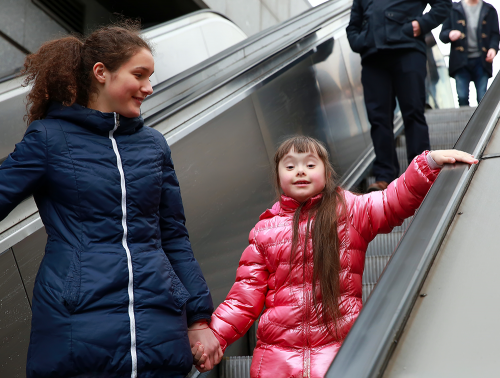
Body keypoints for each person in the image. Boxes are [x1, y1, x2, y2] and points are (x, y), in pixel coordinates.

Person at [0, 22, 222, 377]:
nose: (149, 87)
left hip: (159, 328)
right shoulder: (48, 138)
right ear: (101, 73)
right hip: (76, 325)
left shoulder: (153, 145)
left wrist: (198, 319)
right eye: (139, 74)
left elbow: (174, 236)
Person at [192, 135, 477, 377]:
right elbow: (244, 298)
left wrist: (428, 163)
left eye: (310, 165)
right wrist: (213, 338)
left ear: (326, 174)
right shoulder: (263, 232)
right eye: (290, 166)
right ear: (279, 177)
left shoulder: (349, 211)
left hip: (340, 351)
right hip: (276, 359)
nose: (300, 171)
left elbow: (392, 201)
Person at [346, 0, 452, 192]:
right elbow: (353, 24)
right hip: (373, 56)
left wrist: (421, 24)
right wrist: (362, 40)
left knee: (413, 111)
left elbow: (443, 4)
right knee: (378, 119)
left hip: (408, 49)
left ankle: (419, 171)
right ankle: (384, 175)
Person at [439, 0, 500, 106]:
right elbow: (443, 35)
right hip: (460, 61)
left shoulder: (489, 10)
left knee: (483, 97)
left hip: (482, 60)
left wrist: (493, 49)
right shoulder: (453, 9)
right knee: (462, 97)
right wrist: (450, 34)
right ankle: (465, 122)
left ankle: (484, 122)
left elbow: (495, 34)